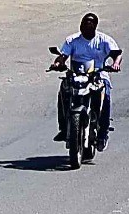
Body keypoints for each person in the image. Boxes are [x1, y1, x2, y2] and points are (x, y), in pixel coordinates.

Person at [51, 12, 121, 150]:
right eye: (84, 23)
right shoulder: (73, 40)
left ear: (95, 26)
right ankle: (64, 127)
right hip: (76, 74)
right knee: (63, 90)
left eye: (89, 24)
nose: (86, 27)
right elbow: (63, 56)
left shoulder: (103, 40)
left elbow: (116, 54)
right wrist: (58, 64)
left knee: (105, 95)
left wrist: (115, 64)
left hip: (98, 75)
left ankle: (102, 133)